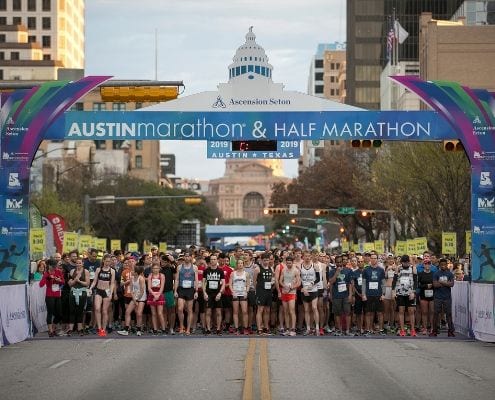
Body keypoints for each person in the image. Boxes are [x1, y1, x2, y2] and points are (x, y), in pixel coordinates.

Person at [89, 254, 116, 337]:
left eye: (109, 261)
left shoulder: (112, 271)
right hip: (98, 290)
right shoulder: (98, 269)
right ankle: (99, 328)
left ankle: (104, 329)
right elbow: (94, 281)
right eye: (106, 261)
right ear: (103, 260)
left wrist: (111, 293)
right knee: (97, 309)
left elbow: (112, 283)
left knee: (104, 311)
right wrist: (90, 288)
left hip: (107, 291)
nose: (108, 263)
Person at [327, 255, 353, 336]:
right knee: (337, 313)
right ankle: (340, 330)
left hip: (346, 295)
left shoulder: (348, 270)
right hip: (336, 295)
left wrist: (350, 295)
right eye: (337, 262)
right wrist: (337, 272)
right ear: (335, 263)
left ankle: (348, 330)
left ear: (342, 262)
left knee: (347, 313)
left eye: (340, 262)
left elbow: (350, 284)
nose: (339, 263)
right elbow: (331, 282)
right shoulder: (332, 271)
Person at [118, 264, 146, 336]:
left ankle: (139, 329)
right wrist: (134, 299)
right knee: (127, 311)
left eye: (133, 271)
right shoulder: (132, 278)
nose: (132, 271)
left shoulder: (141, 278)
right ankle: (126, 329)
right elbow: (131, 289)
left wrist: (137, 299)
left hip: (141, 297)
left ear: (136, 272)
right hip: (135, 297)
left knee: (139, 313)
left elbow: (142, 291)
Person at [393, 255, 417, 337]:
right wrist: (393, 291)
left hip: (410, 293)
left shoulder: (413, 268)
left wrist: (413, 292)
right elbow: (394, 280)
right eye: (404, 262)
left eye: (407, 262)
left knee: (411, 312)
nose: (406, 264)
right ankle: (402, 330)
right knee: (401, 311)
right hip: (400, 293)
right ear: (402, 262)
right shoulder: (398, 268)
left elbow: (415, 281)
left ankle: (413, 330)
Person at [430, 258, 455, 337]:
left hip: (447, 297)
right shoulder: (436, 274)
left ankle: (450, 331)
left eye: (444, 265)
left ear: (447, 265)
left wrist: (441, 282)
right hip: (438, 297)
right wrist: (446, 283)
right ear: (439, 265)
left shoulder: (450, 274)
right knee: (436, 314)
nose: (443, 266)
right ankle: (434, 330)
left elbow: (452, 284)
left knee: (448, 314)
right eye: (442, 265)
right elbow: (435, 285)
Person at [362, 253, 386, 335]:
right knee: (368, 313)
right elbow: (364, 283)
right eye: (372, 258)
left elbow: (383, 283)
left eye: (375, 258)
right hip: (369, 294)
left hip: (378, 294)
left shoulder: (381, 270)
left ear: (377, 259)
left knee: (380, 313)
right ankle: (368, 330)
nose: (373, 259)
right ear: (370, 259)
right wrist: (363, 294)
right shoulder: (366, 270)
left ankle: (381, 329)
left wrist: (383, 294)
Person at [174, 253, 198, 335]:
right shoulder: (179, 267)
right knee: (180, 308)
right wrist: (175, 291)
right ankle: (181, 327)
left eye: (189, 256)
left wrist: (196, 291)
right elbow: (177, 279)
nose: (187, 258)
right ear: (184, 257)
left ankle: (188, 329)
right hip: (181, 289)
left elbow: (196, 280)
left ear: (191, 257)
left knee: (189, 310)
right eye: (186, 256)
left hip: (190, 289)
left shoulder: (194, 267)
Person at [40, 258, 64, 337]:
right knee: (50, 313)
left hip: (57, 294)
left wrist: (58, 280)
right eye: (53, 266)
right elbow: (41, 285)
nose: (54, 268)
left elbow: (63, 282)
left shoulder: (58, 272)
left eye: (55, 266)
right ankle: (50, 331)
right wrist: (46, 276)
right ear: (49, 266)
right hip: (49, 295)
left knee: (60, 314)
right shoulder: (46, 273)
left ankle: (53, 328)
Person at [67, 257, 90, 336]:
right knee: (72, 311)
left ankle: (80, 329)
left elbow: (87, 284)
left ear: (82, 264)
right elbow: (69, 284)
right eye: (77, 263)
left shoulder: (86, 271)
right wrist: (75, 280)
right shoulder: (72, 271)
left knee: (80, 311)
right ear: (75, 264)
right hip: (73, 292)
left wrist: (79, 280)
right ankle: (70, 329)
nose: (78, 264)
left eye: (80, 263)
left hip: (82, 292)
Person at [203, 254, 225, 335]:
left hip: (217, 294)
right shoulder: (206, 270)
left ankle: (218, 329)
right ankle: (208, 329)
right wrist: (204, 293)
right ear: (210, 261)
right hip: (209, 293)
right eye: (211, 259)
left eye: (214, 259)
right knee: (208, 312)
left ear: (217, 260)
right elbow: (203, 282)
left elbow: (223, 283)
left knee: (218, 312)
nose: (213, 261)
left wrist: (220, 293)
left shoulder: (220, 271)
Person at [299, 251, 320, 336]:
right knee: (306, 310)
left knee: (314, 308)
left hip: (313, 289)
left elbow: (318, 278)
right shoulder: (300, 266)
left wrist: (311, 284)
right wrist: (303, 288)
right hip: (304, 290)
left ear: (310, 257)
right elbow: (299, 279)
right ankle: (308, 328)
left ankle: (317, 328)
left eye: (309, 256)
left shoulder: (315, 266)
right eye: (306, 256)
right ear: (303, 257)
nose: (307, 258)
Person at [253, 252, 274, 335]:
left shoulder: (271, 268)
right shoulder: (257, 269)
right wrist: (257, 290)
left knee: (267, 310)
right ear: (261, 260)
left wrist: (272, 282)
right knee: (260, 310)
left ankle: (266, 327)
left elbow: (272, 278)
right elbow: (254, 281)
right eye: (264, 260)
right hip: (260, 292)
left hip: (268, 291)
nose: (266, 262)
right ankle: (259, 329)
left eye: (267, 260)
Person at [279, 256, 300, 336]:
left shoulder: (296, 270)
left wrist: (292, 287)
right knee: (286, 311)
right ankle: (287, 328)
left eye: (290, 263)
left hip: (292, 292)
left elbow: (298, 283)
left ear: (292, 262)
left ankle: (293, 329)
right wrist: (284, 286)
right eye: (287, 263)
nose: (288, 264)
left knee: (292, 310)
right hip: (284, 292)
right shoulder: (284, 269)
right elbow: (280, 281)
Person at [230, 259, 250, 335]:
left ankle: (245, 328)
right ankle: (236, 328)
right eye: (239, 263)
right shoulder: (233, 273)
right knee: (235, 312)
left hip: (243, 294)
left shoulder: (246, 274)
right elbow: (230, 283)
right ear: (237, 264)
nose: (240, 264)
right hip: (235, 294)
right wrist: (232, 292)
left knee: (244, 312)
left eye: (241, 263)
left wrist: (246, 292)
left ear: (243, 264)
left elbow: (248, 284)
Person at [147, 261, 166, 335]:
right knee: (153, 313)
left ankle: (163, 328)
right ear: (152, 269)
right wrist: (154, 295)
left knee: (160, 313)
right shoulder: (150, 275)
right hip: (152, 294)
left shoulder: (162, 276)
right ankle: (155, 329)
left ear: (159, 268)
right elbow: (149, 287)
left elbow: (162, 287)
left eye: (157, 268)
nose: (155, 269)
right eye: (154, 268)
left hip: (159, 294)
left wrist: (157, 295)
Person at [417, 258, 434, 335]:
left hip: (432, 295)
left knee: (432, 312)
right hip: (423, 295)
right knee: (424, 312)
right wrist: (426, 285)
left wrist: (432, 285)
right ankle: (425, 328)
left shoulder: (433, 274)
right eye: (426, 264)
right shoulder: (420, 274)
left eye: (428, 264)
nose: (427, 265)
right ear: (423, 265)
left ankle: (432, 328)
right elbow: (418, 285)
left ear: (430, 265)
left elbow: (436, 283)